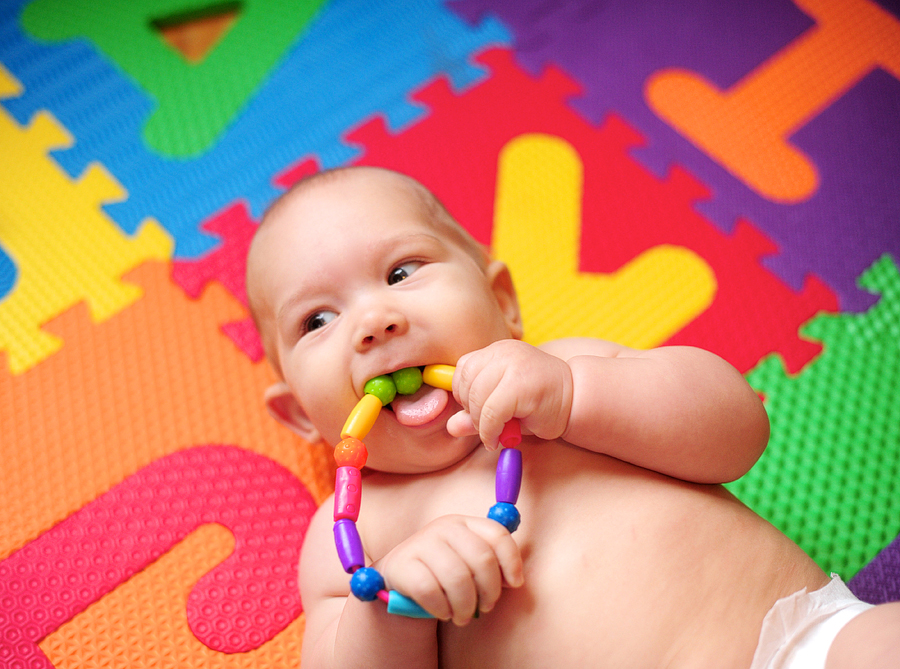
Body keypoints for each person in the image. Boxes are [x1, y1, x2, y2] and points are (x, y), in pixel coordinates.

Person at [245, 166, 899, 668]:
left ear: (502, 301)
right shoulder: (350, 533)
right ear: (301, 413)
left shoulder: (569, 368)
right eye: (317, 320)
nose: (373, 322)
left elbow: (738, 431)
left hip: (805, 643)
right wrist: (393, 609)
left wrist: (576, 397)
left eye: (402, 270)